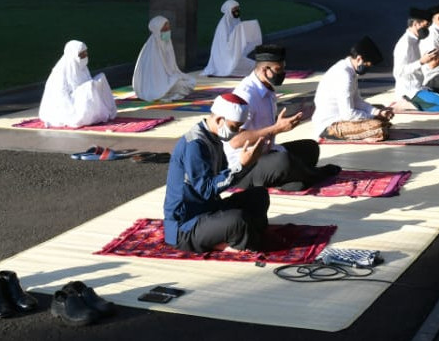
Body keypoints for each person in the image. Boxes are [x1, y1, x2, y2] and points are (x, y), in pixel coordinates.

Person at [163, 92, 270, 253]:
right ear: (220, 120)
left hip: (210, 209)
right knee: (238, 220)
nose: (237, 131)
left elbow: (223, 177)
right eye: (234, 127)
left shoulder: (213, 138)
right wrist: (242, 165)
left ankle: (236, 236)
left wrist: (249, 163)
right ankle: (234, 238)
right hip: (186, 225)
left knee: (259, 196)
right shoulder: (195, 144)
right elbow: (206, 189)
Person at [225, 45, 340, 190]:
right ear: (265, 70)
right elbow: (235, 141)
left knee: (311, 148)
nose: (283, 74)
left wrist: (287, 121)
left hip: (268, 152)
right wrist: (276, 128)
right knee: (283, 161)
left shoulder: (267, 88)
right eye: (279, 70)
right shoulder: (245, 95)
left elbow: (268, 129)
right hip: (244, 166)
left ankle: (291, 180)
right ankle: (315, 174)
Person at [313, 36, 394, 142]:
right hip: (330, 125)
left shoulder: (349, 71)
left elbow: (356, 101)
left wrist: (377, 112)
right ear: (359, 59)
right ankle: (333, 135)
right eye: (367, 65)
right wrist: (372, 117)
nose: (368, 69)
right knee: (379, 127)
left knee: (380, 110)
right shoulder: (344, 75)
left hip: (342, 115)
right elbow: (348, 114)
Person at [39, 40, 117, 127]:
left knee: (101, 79)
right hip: (66, 106)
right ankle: (89, 115)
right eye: (82, 55)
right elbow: (61, 96)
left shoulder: (82, 67)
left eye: (85, 53)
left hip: (79, 98)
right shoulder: (60, 71)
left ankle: (98, 112)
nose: (85, 56)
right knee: (90, 86)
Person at [132, 15, 196, 101]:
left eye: (168, 29)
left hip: (167, 78)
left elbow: (172, 67)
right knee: (180, 86)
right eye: (165, 29)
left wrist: (175, 76)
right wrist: (172, 79)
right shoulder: (151, 50)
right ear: (157, 30)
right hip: (156, 84)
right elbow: (156, 76)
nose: (168, 31)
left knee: (189, 82)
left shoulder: (167, 43)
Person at [202, 0, 262, 77]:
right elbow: (224, 45)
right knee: (250, 67)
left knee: (254, 66)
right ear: (229, 10)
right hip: (225, 57)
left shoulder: (236, 21)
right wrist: (237, 35)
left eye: (238, 8)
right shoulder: (223, 25)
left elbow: (240, 37)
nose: (237, 10)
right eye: (234, 9)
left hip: (235, 56)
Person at [391, 7, 437, 100]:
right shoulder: (404, 43)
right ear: (416, 24)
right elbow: (398, 72)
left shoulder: (415, 41)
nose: (427, 29)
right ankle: (405, 103)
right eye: (426, 26)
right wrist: (421, 62)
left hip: (419, 87)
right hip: (409, 92)